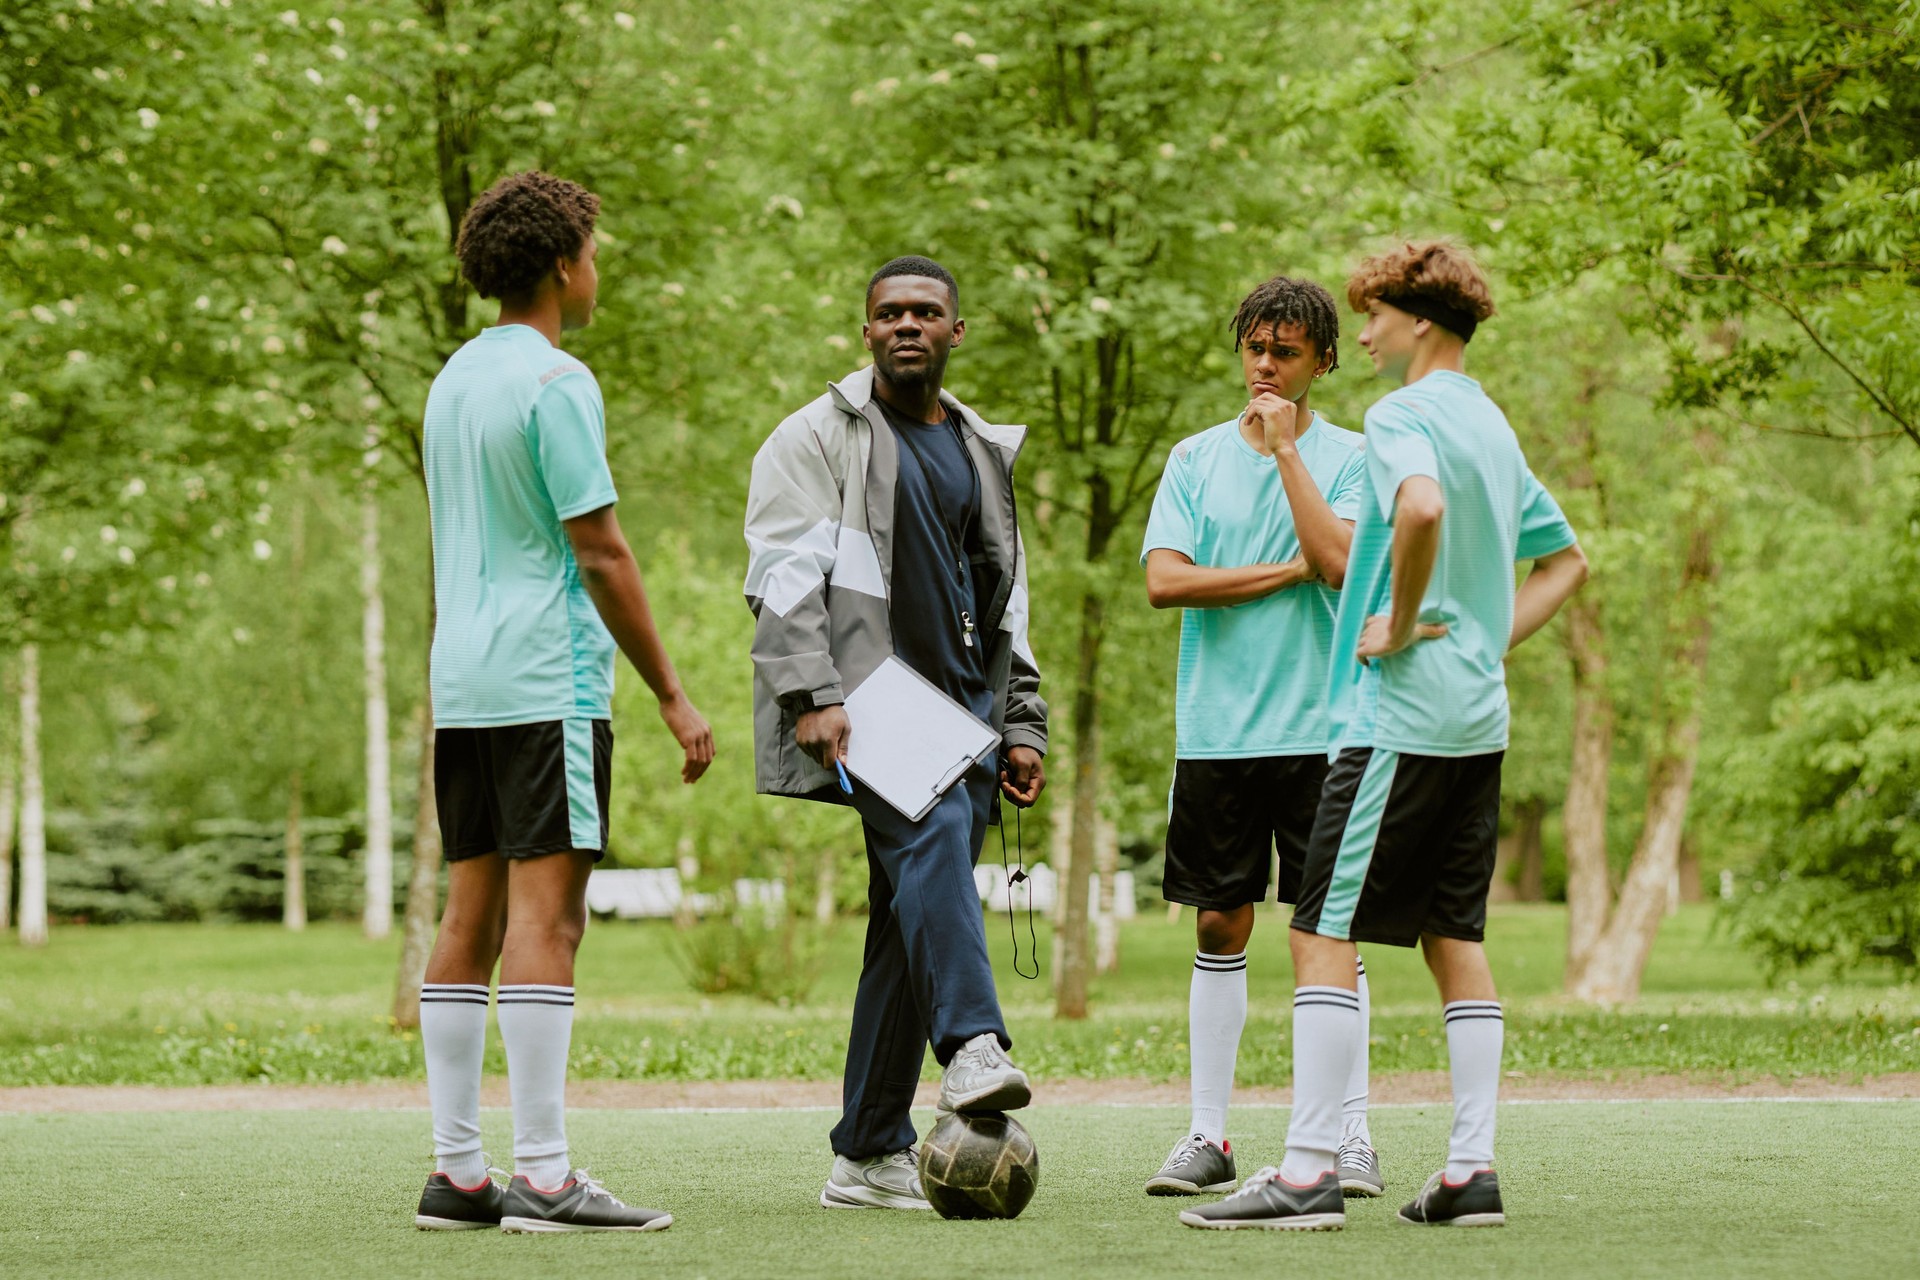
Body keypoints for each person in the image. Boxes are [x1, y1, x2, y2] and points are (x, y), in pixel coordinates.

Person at [1181, 240, 1588, 1232]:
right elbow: (1567, 560)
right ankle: (1470, 1170)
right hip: (1476, 715)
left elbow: (1418, 505)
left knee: (1320, 928)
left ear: (1421, 322)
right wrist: (1483, 644)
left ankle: (1311, 1169)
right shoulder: (1489, 422)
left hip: (1396, 713)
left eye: (1373, 316)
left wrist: (1401, 627)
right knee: (1455, 934)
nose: (1360, 333)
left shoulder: (1406, 417)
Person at [412, 171, 715, 1235]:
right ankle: (541, 1174)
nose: (599, 267)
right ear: (560, 264)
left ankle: (458, 1172)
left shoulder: (450, 382)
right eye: (595, 249)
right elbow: (600, 547)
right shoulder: (555, 380)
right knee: (550, 918)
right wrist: (674, 694)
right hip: (546, 679)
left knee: (470, 915)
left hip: (464, 682)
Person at [743, 255, 1049, 1212]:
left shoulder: (980, 450)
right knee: (935, 850)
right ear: (865, 330)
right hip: (868, 696)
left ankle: (869, 1149)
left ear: (959, 331)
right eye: (889, 313)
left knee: (907, 920)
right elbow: (781, 576)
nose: (907, 324)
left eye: (926, 312)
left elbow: (1009, 604)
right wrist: (810, 694)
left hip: (962, 712)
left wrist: (1022, 723)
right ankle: (970, 1046)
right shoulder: (816, 436)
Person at [1138, 277, 1384, 1198]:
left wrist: (1288, 458)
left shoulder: (1357, 457)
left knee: (1329, 932)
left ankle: (1349, 1134)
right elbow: (1166, 583)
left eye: (1285, 352)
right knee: (1217, 919)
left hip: (1328, 729)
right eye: (1255, 349)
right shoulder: (1194, 459)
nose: (1266, 367)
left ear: (1322, 360)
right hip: (1217, 731)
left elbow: (1340, 560)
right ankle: (1208, 1135)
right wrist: (1287, 568)